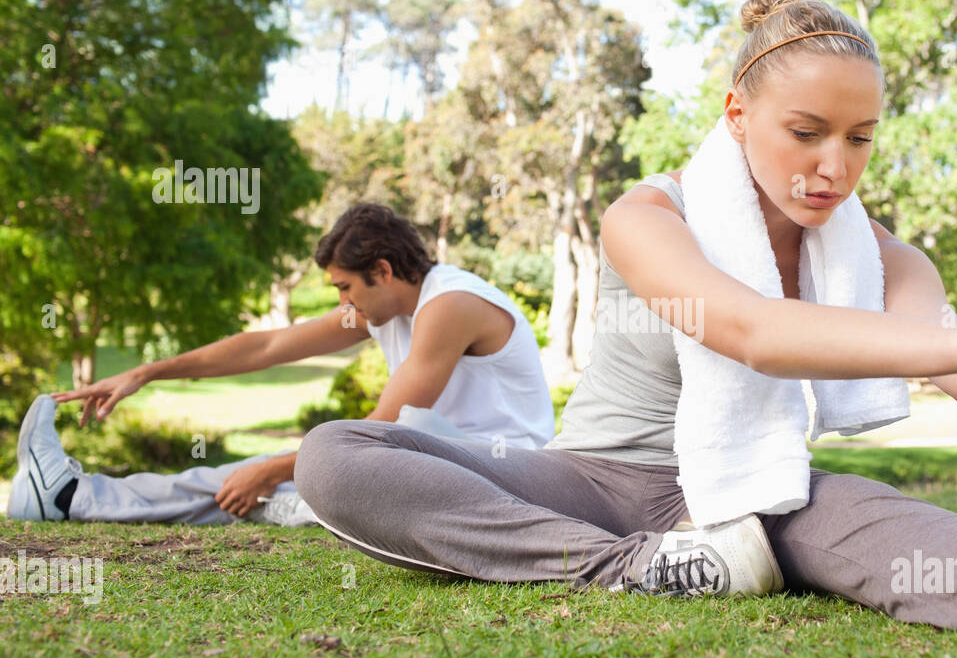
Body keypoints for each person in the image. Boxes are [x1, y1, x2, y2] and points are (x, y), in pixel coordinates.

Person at [291, 0, 957, 658]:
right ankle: (635, 570)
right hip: (588, 480)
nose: (832, 165)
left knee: (873, 525)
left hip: (746, 494)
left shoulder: (881, 255)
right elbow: (750, 331)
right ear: (737, 114)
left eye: (859, 138)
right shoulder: (650, 215)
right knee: (338, 454)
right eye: (805, 131)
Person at [8, 203, 555, 527]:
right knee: (260, 480)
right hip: (438, 463)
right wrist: (146, 373)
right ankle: (74, 499)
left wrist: (270, 469)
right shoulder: (386, 307)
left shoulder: (450, 304)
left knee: (272, 472)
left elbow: (376, 430)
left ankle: (69, 498)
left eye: (344, 287)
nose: (343, 304)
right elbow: (266, 348)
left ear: (382, 270)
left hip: (498, 477)